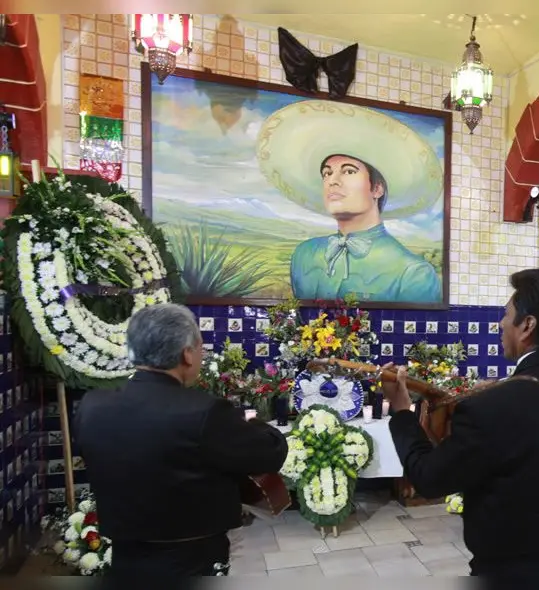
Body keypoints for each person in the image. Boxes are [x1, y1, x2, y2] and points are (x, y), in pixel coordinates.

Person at [384, 269, 539, 579]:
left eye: (506, 314)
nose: (500, 324)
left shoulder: (490, 407)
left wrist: (403, 411)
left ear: (527, 325)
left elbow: (429, 479)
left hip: (509, 571)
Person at [74, 304, 289, 577]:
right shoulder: (205, 412)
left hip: (125, 557)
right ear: (187, 354)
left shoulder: (92, 406)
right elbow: (271, 452)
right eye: (200, 347)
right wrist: (253, 423)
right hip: (191, 559)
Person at [257, 100, 444, 304]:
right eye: (326, 173)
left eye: (348, 171)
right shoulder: (304, 256)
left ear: (377, 188)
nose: (332, 181)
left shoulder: (412, 273)